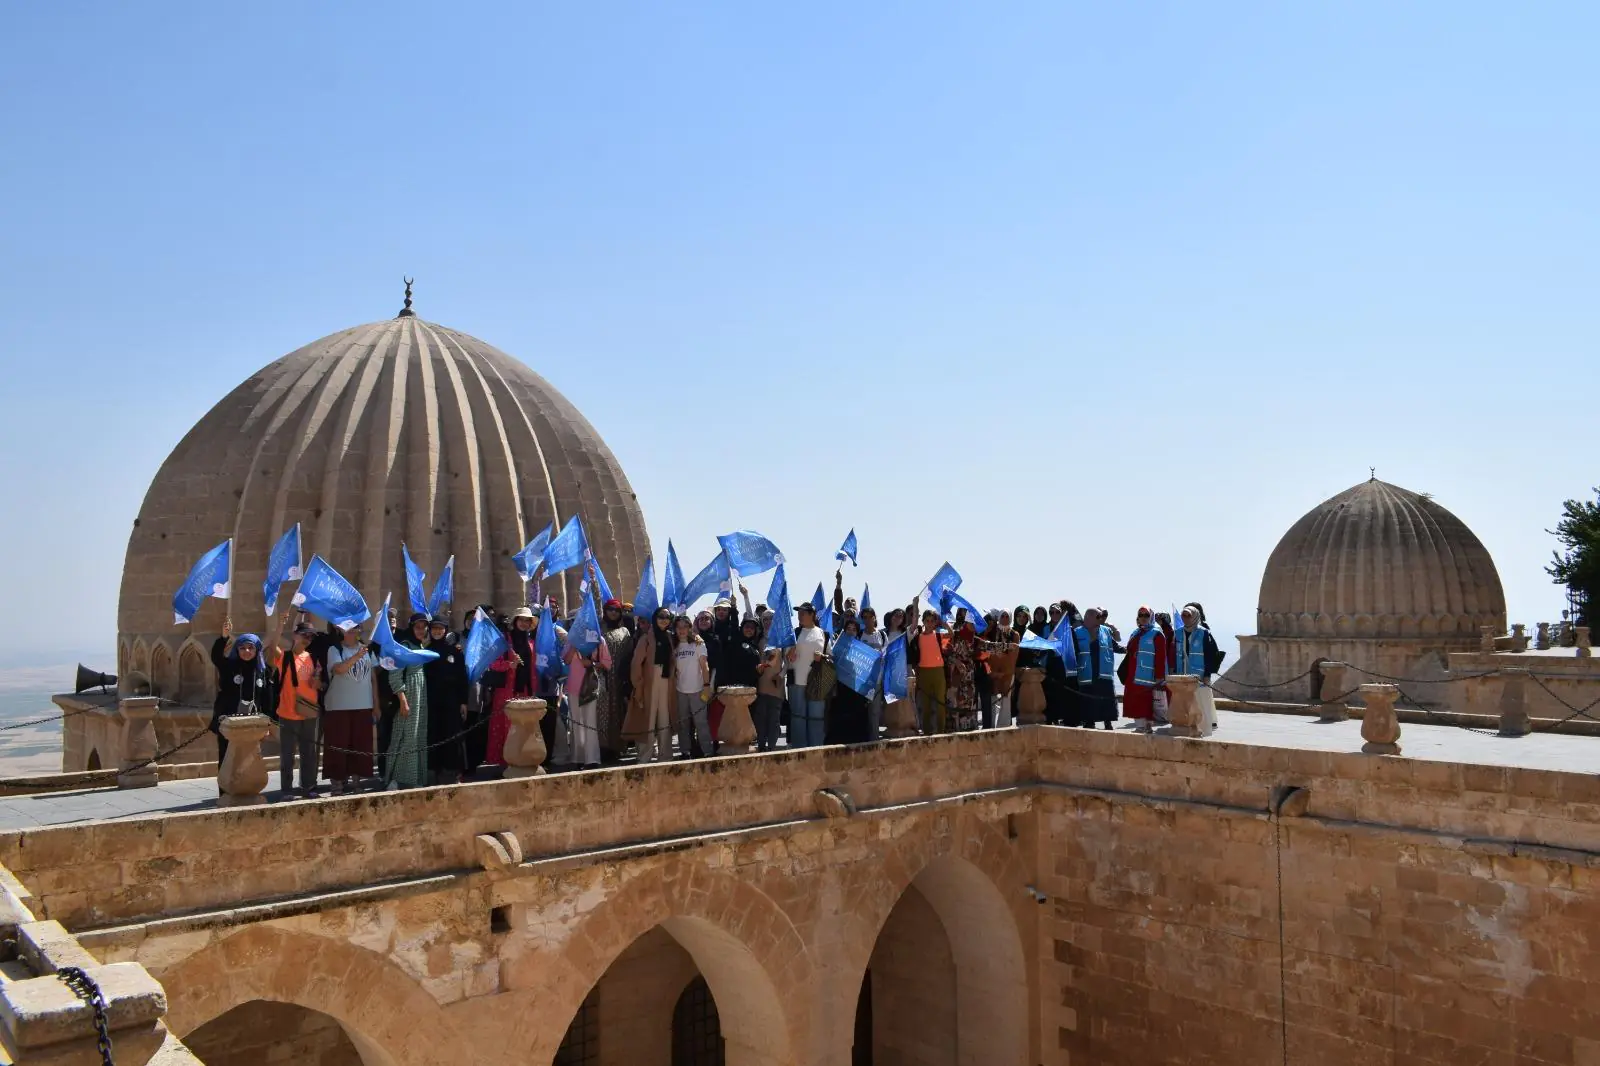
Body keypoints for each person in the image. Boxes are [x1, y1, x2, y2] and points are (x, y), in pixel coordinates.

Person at [266, 614, 321, 798]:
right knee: (287, 755)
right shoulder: (286, 657)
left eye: (311, 637)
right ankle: (287, 790)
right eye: (305, 635)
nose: (308, 639)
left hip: (309, 713)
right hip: (288, 712)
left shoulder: (313, 658)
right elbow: (272, 647)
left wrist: (317, 683)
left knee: (309, 754)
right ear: (295, 635)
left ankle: (308, 787)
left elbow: (321, 684)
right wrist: (280, 625)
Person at [209, 619, 272, 772]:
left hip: (252, 724)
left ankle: (246, 793)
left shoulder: (263, 671)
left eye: (251, 648)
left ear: (257, 650)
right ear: (237, 650)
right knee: (227, 759)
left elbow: (267, 699)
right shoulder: (229, 666)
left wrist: (266, 725)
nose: (247, 652)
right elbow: (216, 657)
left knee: (250, 761)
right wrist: (224, 637)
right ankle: (226, 794)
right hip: (229, 721)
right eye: (242, 648)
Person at [322, 621, 377, 792]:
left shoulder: (367, 650)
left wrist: (376, 705)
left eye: (355, 629)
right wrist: (356, 656)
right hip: (339, 705)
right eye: (348, 630)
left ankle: (356, 780)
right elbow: (339, 669)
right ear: (341, 631)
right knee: (338, 745)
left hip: (363, 703)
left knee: (360, 745)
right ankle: (337, 781)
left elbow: (373, 678)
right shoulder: (334, 650)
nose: (352, 633)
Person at [485, 606, 542, 768]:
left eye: (527, 620)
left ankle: (521, 759)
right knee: (505, 727)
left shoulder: (531, 643)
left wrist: (534, 689)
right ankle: (503, 762)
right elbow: (493, 663)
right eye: (521, 619)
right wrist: (510, 665)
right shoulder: (504, 641)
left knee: (524, 727)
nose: (524, 623)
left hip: (525, 690)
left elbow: (532, 668)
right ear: (515, 621)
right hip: (507, 690)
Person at [382, 614, 431, 789]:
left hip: (420, 697)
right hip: (409, 696)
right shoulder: (404, 646)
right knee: (405, 737)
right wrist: (403, 700)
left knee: (418, 737)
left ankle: (414, 778)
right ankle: (396, 779)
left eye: (424, 627)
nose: (421, 630)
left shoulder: (421, 646)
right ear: (411, 628)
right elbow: (394, 675)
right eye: (417, 627)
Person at [624, 608, 677, 763]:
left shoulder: (670, 637)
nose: (664, 620)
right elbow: (636, 664)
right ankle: (644, 757)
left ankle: (665, 756)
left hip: (666, 681)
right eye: (661, 616)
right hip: (649, 682)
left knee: (664, 719)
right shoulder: (646, 639)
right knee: (647, 718)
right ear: (655, 618)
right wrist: (638, 685)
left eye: (667, 617)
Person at [424, 618, 469, 784]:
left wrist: (463, 701)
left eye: (440, 629)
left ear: (445, 630)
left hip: (451, 700)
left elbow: (462, 678)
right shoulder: (425, 652)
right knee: (434, 735)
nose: (437, 632)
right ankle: (434, 770)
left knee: (453, 735)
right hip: (432, 701)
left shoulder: (455, 652)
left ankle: (454, 770)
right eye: (434, 628)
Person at [563, 632, 614, 770]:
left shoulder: (599, 639)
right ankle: (578, 757)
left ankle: (592, 759)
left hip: (590, 686)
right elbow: (566, 660)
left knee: (590, 722)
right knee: (576, 723)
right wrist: (573, 646)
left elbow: (607, 663)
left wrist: (591, 663)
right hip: (574, 687)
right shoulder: (571, 639)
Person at [785, 601, 829, 747]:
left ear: (812, 615)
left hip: (816, 683)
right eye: (798, 613)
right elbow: (786, 657)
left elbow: (831, 656)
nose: (800, 616)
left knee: (816, 719)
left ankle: (816, 751)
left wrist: (822, 657)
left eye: (803, 613)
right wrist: (789, 654)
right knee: (798, 719)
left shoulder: (823, 634)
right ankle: (799, 751)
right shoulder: (794, 633)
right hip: (797, 683)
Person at [1119, 605, 1168, 734]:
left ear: (1151, 616)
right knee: (1135, 699)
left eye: (1146, 615)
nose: (1143, 618)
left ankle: (1146, 726)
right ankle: (1140, 726)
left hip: (1148, 674)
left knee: (1146, 701)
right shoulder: (1136, 632)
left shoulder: (1157, 634)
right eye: (1140, 615)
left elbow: (1161, 656)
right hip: (1133, 673)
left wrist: (1159, 676)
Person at [598, 599, 636, 762]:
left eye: (617, 610)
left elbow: (628, 656)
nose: (613, 612)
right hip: (600, 676)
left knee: (617, 712)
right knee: (601, 712)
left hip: (618, 678)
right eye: (610, 609)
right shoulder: (598, 629)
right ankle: (601, 747)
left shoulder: (625, 632)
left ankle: (616, 747)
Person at [1072, 608, 1122, 730]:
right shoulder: (1076, 632)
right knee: (1087, 698)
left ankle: (1108, 722)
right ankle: (1089, 722)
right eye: (1098, 616)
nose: (1102, 619)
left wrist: (1129, 650)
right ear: (1089, 617)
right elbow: (1072, 651)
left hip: (1103, 671)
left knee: (1106, 698)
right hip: (1086, 671)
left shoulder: (1106, 631)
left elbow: (1115, 646)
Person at [671, 615, 711, 759]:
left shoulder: (698, 644)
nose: (682, 630)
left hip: (698, 689)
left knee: (701, 723)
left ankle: (707, 751)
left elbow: (704, 666)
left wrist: (707, 686)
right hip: (680, 690)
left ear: (689, 628)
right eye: (678, 627)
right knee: (683, 723)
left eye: (685, 626)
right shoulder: (674, 645)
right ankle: (685, 751)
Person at [829, 616, 874, 743]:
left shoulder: (863, 648)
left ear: (857, 631)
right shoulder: (837, 646)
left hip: (856, 690)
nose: (851, 631)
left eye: (854, 629)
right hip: (841, 688)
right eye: (848, 628)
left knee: (857, 718)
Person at [906, 607, 948, 734]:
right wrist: (915, 604)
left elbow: (951, 634)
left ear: (935, 623)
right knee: (926, 705)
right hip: (923, 672)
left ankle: (941, 731)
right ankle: (927, 732)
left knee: (941, 703)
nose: (929, 623)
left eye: (932, 621)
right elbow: (912, 626)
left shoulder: (939, 635)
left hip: (938, 672)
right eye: (927, 620)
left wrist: (943, 622)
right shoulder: (918, 636)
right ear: (923, 621)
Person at [986, 610, 1021, 728]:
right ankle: (991, 725)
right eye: (1003, 616)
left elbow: (1014, 653)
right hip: (993, 671)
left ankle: (1004, 726)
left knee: (1006, 699)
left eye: (1007, 616)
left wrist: (1005, 672)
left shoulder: (1014, 634)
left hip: (1007, 672)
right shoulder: (992, 632)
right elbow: (986, 648)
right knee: (993, 698)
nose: (1005, 618)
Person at [753, 639, 786, 751]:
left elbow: (788, 662)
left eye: (770, 619)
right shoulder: (759, 640)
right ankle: (761, 748)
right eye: (765, 619)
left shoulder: (783, 639)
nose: (768, 621)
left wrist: (781, 675)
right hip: (761, 686)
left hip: (776, 687)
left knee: (774, 720)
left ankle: (771, 749)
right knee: (760, 720)